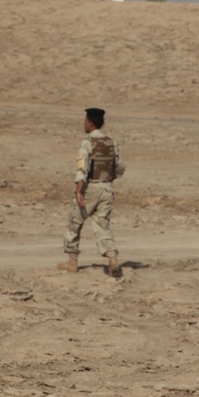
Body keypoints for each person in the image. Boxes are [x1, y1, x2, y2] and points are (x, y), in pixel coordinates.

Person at [58, 108, 125, 277]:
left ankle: (72, 262)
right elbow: (120, 167)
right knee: (102, 225)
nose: (84, 123)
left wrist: (79, 191)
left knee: (74, 223)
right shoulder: (111, 142)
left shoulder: (87, 143)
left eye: (85, 121)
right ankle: (112, 259)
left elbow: (82, 168)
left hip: (91, 188)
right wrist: (108, 180)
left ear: (90, 123)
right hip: (107, 188)